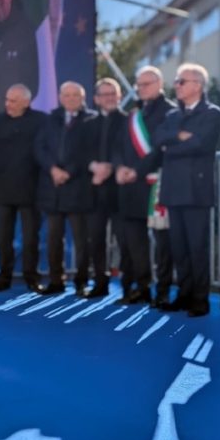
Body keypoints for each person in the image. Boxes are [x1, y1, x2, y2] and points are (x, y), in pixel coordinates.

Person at [154, 64, 220, 317]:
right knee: (179, 248)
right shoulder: (173, 116)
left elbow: (200, 144)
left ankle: (199, 299)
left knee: (197, 247)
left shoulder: (212, 113)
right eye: (177, 81)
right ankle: (183, 294)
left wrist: (173, 144)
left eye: (182, 81)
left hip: (196, 191)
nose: (177, 85)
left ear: (197, 85)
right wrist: (178, 137)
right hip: (173, 190)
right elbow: (158, 139)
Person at [112, 67, 174, 305]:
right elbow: (117, 146)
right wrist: (119, 168)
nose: (142, 88)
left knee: (162, 244)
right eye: (139, 84)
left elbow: (159, 148)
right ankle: (140, 287)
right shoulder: (133, 114)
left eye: (147, 83)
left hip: (155, 187)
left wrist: (135, 171)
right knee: (132, 243)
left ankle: (163, 291)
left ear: (160, 84)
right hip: (129, 186)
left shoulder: (170, 112)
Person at [35, 81, 100, 295]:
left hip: (78, 188)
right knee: (54, 238)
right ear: (61, 97)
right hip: (53, 189)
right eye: (67, 95)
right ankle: (56, 281)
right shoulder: (50, 118)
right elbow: (39, 147)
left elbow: (90, 151)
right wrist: (53, 169)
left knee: (82, 240)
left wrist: (68, 172)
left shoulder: (92, 119)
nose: (71, 98)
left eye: (75, 95)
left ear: (83, 98)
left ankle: (81, 282)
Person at [0, 84, 47, 291]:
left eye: (13, 101)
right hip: (3, 188)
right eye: (7, 100)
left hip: (32, 189)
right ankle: (4, 277)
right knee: (3, 237)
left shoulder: (41, 121)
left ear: (26, 102)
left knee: (31, 237)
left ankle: (32, 277)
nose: (8, 104)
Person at [83, 78, 127, 298]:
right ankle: (100, 283)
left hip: (120, 192)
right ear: (97, 99)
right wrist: (93, 166)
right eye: (105, 94)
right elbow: (81, 152)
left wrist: (109, 167)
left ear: (119, 96)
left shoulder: (129, 121)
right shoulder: (89, 123)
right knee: (96, 240)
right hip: (94, 191)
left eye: (113, 93)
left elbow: (127, 151)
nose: (109, 98)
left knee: (124, 240)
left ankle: (131, 287)